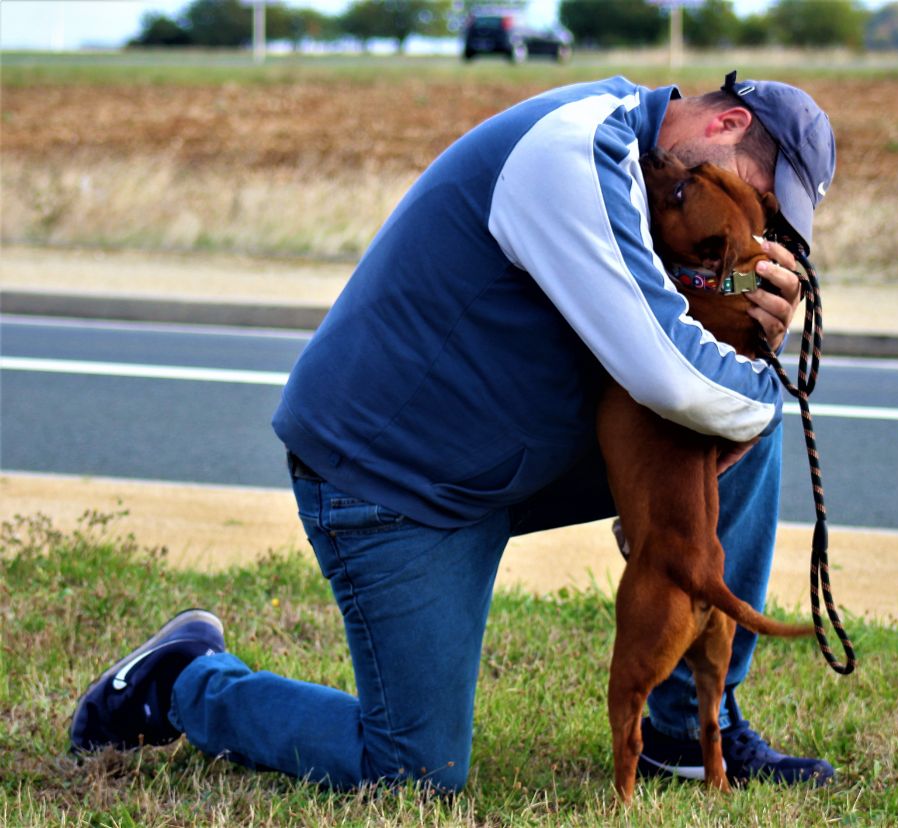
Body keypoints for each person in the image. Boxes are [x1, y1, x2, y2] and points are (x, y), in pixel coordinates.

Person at [71, 71, 837, 792]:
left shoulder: (658, 181)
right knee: (411, 770)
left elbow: (680, 308)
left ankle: (682, 727)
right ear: (726, 123)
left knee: (738, 423)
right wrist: (760, 387)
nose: (751, 227)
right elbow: (670, 373)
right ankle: (183, 681)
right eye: (755, 197)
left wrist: (746, 299)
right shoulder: (576, 152)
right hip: (392, 483)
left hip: (504, 459)